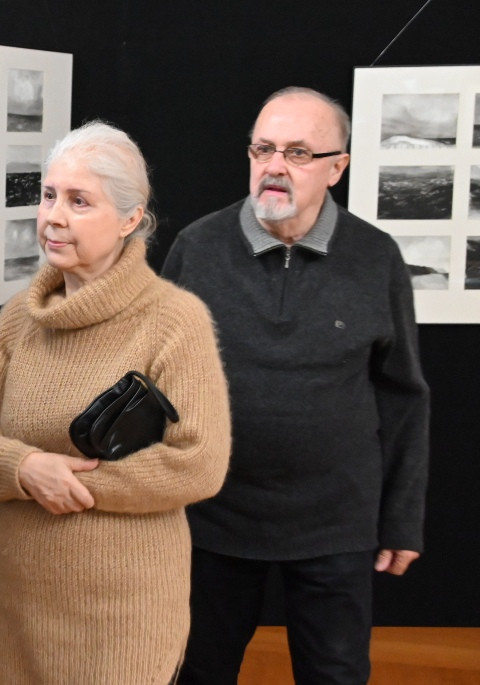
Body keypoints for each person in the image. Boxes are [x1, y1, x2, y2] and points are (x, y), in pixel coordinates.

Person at [161, 87, 430, 685]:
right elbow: (159, 383)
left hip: (335, 522)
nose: (275, 167)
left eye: (299, 154)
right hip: (215, 516)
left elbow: (404, 395)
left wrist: (402, 518)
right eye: (264, 149)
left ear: (339, 167)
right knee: (198, 670)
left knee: (334, 675)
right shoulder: (197, 249)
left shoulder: (376, 257)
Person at [0, 121, 232, 684]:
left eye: (79, 201)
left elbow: (199, 462)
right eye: (49, 195)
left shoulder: (174, 322)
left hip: (122, 612)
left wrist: (72, 483)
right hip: (15, 599)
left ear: (130, 220)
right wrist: (25, 467)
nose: (53, 215)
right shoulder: (18, 320)